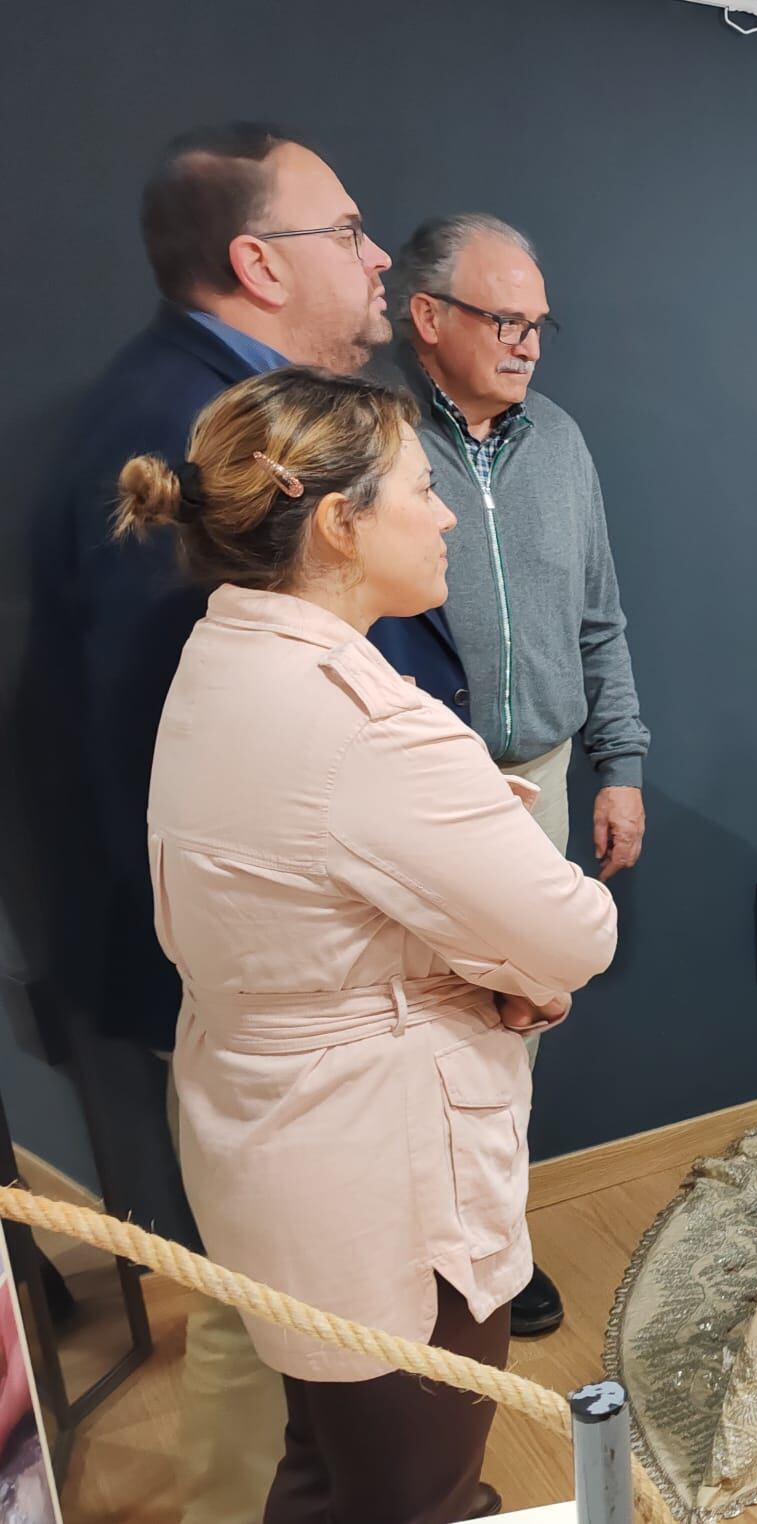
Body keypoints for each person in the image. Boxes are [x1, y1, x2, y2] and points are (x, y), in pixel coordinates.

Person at [115, 367, 617, 1521]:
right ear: (340, 523)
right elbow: (576, 930)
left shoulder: (223, 658)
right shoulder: (373, 729)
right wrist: (502, 959)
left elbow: (305, 889)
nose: (445, 515)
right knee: (420, 1493)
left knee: (324, 1462)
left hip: (267, 1136)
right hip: (377, 1173)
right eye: (422, 490)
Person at [22, 121, 434, 1524]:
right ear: (259, 263)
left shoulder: (216, 408)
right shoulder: (180, 431)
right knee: (270, 1318)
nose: (379, 257)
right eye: (350, 231)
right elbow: (195, 758)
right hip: (261, 981)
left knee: (291, 1312)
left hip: (292, 966)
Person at [373, 213, 650, 1337]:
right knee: (408, 1035)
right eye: (505, 319)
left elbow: (600, 619)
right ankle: (403, 1266)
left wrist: (618, 764)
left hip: (534, 780)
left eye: (538, 324)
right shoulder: (372, 441)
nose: (528, 343)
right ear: (427, 318)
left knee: (512, 1030)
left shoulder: (563, 443)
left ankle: (494, 1250)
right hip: (409, 792)